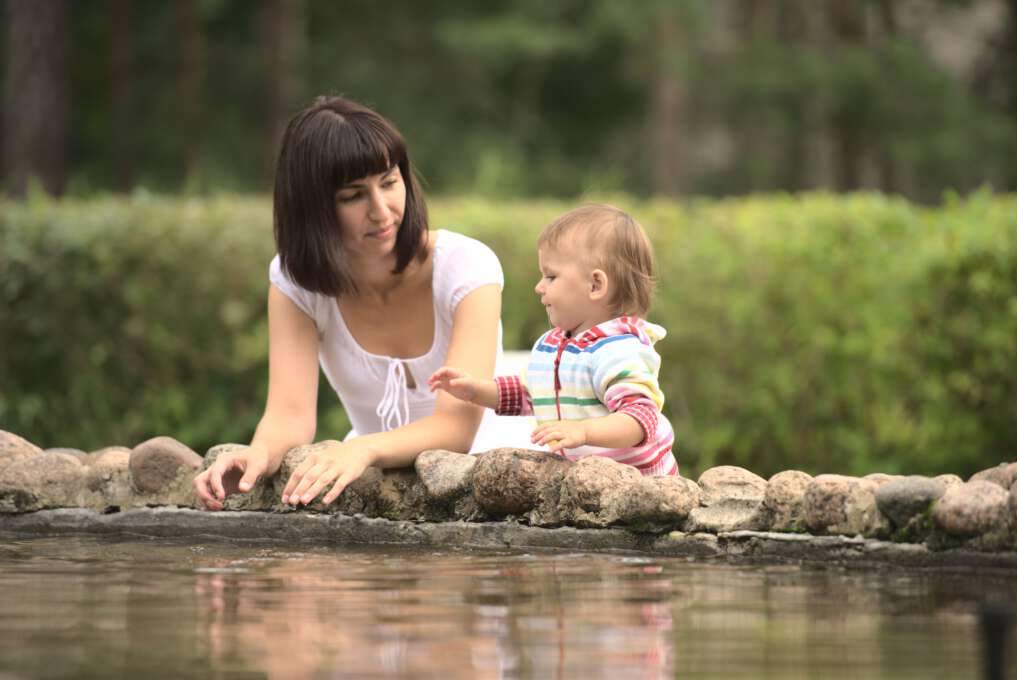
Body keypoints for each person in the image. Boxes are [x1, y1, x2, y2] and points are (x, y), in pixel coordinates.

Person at [194, 95, 530, 510]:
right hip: (376, 485)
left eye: (389, 182)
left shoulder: (465, 267)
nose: (381, 210)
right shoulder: (295, 282)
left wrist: (363, 449)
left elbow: (455, 428)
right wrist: (260, 453)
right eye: (353, 195)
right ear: (312, 209)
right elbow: (290, 413)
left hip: (494, 484)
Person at [429, 204, 679, 476]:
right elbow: (530, 393)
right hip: (584, 482)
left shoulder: (619, 350)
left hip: (638, 485)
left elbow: (640, 419)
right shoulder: (555, 344)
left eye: (551, 276)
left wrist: (583, 431)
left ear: (595, 285)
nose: (539, 286)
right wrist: (476, 391)